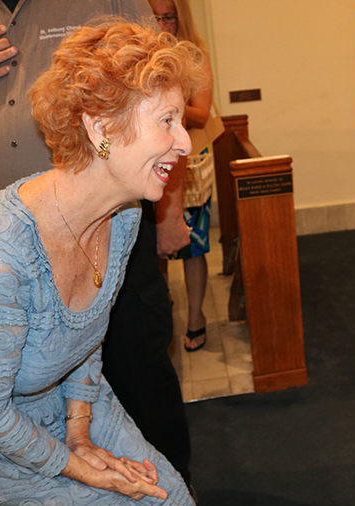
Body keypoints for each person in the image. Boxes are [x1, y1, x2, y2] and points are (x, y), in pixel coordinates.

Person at [0, 21, 206, 506]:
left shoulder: (125, 214)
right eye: (166, 120)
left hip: (57, 399)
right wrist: (85, 471)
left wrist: (80, 431)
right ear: (100, 128)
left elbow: (86, 334)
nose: (184, 142)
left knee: (171, 500)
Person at [150, 0, 215, 352]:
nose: (161, 24)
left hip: (189, 164)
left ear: (180, 19)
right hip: (149, 164)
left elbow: (202, 115)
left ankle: (195, 318)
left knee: (192, 246)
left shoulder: (195, 57)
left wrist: (166, 102)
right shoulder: (139, 56)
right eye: (154, 16)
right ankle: (163, 312)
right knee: (153, 248)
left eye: (168, 17)